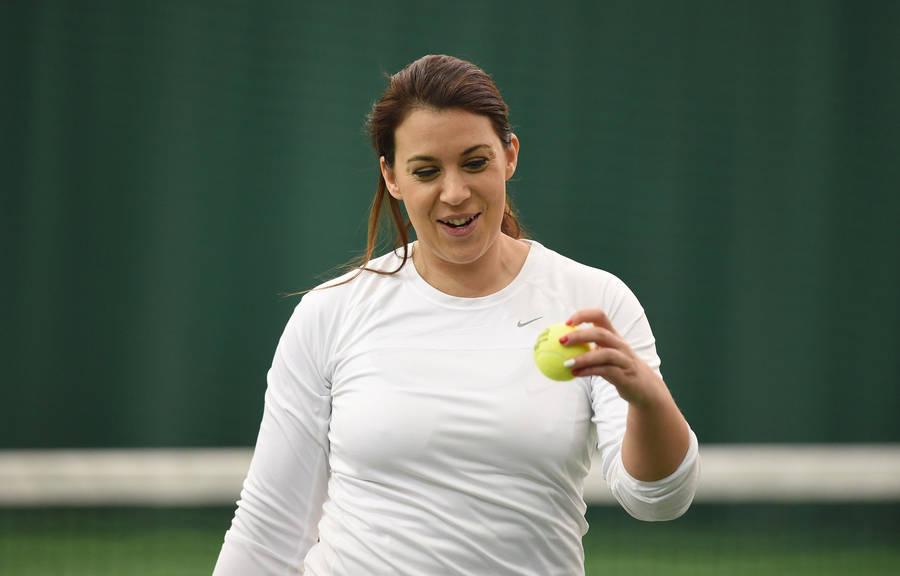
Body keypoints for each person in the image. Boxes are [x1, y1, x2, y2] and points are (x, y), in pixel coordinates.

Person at [213, 54, 700, 575]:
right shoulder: (329, 312)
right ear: (392, 176)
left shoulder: (594, 300)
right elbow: (268, 529)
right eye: (426, 171)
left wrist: (648, 398)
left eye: (474, 163)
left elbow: (656, 501)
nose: (454, 193)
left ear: (509, 156)